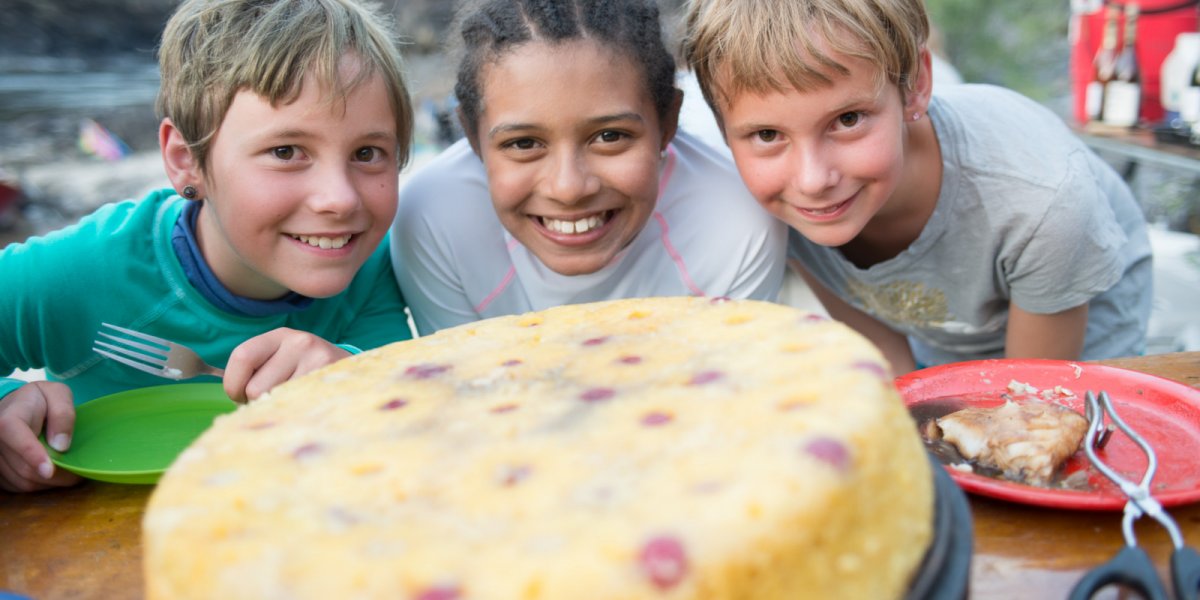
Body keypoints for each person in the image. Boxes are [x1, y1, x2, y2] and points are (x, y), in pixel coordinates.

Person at [0, 0, 415, 493]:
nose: (340, 199)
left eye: (368, 154)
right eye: (285, 152)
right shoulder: (79, 271)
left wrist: (357, 376)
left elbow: (411, 408)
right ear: (185, 161)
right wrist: (7, 407)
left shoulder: (371, 266)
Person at [680, 0, 1152, 374]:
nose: (812, 181)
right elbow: (888, 359)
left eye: (847, 120)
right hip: (944, 328)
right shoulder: (765, 198)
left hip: (1078, 332)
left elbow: (1029, 406)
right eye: (767, 135)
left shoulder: (1041, 203)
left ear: (916, 86)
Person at [390, 0, 786, 336]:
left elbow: (727, 398)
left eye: (610, 136)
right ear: (473, 139)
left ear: (667, 124)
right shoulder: (433, 220)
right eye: (524, 144)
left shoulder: (735, 226)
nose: (569, 188)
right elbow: (465, 390)